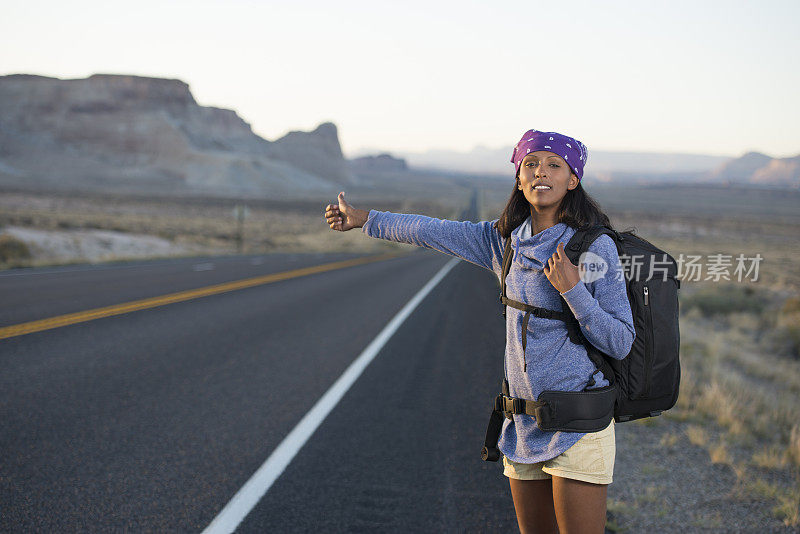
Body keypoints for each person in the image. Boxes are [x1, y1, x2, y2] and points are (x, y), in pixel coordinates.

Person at [323, 129, 635, 534]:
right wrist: (365, 220)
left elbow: (620, 340)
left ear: (572, 179)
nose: (542, 172)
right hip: (523, 423)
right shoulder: (501, 241)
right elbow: (430, 230)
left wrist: (574, 291)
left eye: (554, 165)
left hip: (578, 423)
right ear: (519, 178)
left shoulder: (594, 247)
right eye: (531, 164)